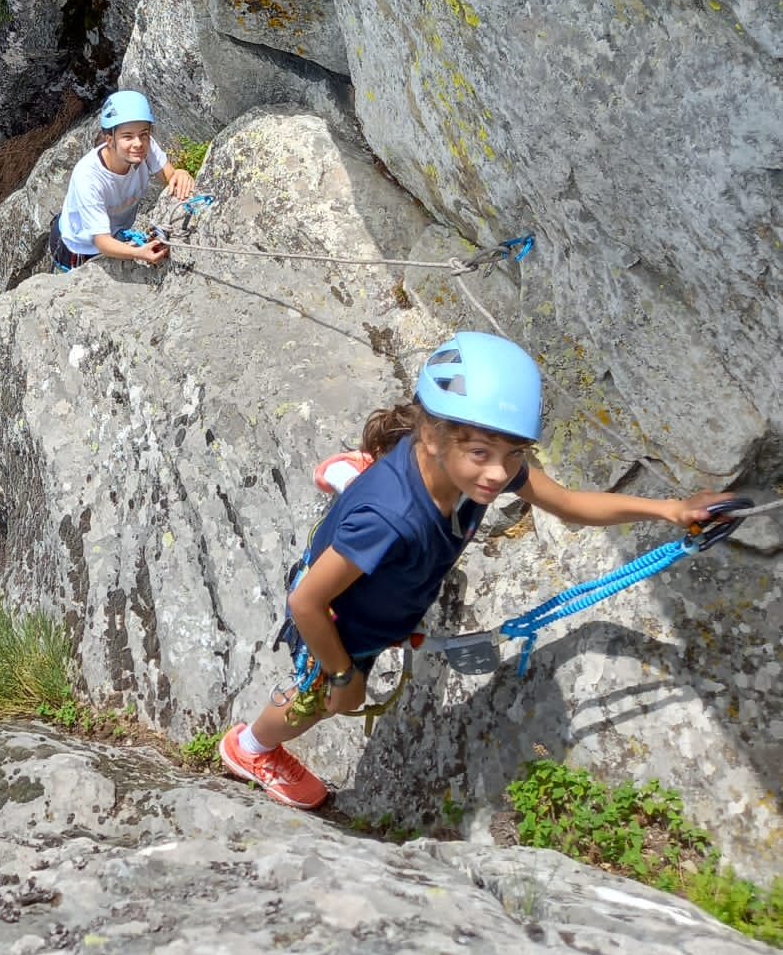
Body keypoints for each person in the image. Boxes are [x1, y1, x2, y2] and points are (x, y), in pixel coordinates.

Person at [220, 330, 733, 810]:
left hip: (386, 567)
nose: (499, 473)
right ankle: (251, 747)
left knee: (383, 518)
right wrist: (342, 673)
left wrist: (671, 509)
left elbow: (571, 504)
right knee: (319, 702)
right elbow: (306, 603)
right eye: (482, 453)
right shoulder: (389, 521)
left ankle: (354, 478)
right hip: (339, 626)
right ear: (431, 433)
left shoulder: (473, 469)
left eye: (514, 455)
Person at [49, 90, 197, 271]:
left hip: (112, 232)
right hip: (78, 247)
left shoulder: (145, 146)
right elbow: (102, 242)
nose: (138, 143)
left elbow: (170, 176)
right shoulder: (88, 178)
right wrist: (139, 253)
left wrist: (180, 173)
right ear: (110, 140)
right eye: (127, 136)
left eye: (144, 133)